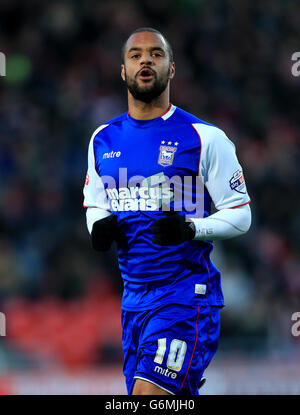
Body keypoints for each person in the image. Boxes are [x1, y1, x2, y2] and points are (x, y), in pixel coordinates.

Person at [83, 27, 251, 395]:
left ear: (171, 68)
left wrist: (192, 229)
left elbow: (240, 214)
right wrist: (99, 226)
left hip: (185, 294)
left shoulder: (204, 137)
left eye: (156, 54)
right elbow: (95, 202)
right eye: (136, 54)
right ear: (123, 71)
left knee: (148, 397)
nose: (146, 59)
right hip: (133, 300)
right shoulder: (103, 138)